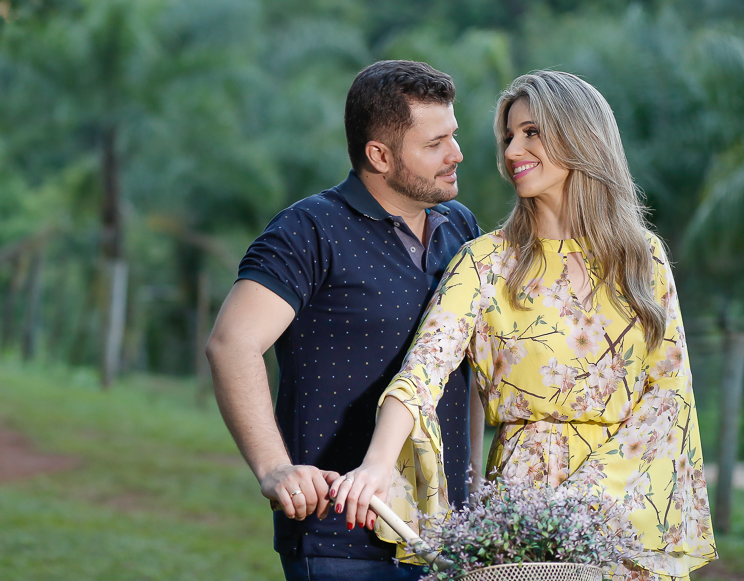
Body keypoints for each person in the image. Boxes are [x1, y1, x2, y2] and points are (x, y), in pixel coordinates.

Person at [332, 70, 717, 580]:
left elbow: (668, 398)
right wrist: (378, 464)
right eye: (508, 136)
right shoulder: (484, 261)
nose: (513, 149)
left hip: (627, 513)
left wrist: (586, 507)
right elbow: (423, 370)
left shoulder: (642, 259)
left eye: (531, 132)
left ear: (580, 137)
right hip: (524, 515)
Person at [206, 60, 485, 581]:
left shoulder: (461, 227)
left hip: (445, 533)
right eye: (435, 144)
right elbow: (231, 344)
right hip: (341, 535)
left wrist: (469, 476)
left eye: (453, 134)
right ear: (379, 155)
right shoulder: (308, 229)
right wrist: (273, 468)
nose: (456, 154)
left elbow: (463, 359)